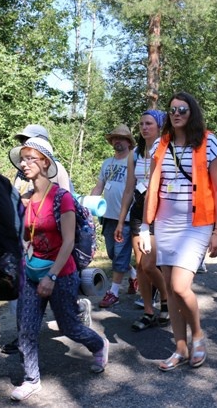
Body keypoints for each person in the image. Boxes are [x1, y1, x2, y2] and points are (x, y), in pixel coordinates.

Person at [8, 136, 108, 401]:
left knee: (69, 327)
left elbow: (69, 242)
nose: (24, 163)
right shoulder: (26, 199)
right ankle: (31, 379)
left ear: (45, 162)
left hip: (61, 273)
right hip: (31, 272)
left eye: (31, 158)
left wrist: (51, 276)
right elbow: (26, 237)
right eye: (23, 158)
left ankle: (99, 345)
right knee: (26, 328)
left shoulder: (60, 198)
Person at [143, 92, 217, 371]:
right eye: (173, 110)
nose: (177, 113)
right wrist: (145, 226)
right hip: (165, 223)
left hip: (197, 223)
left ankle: (198, 335)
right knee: (169, 288)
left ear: (192, 113)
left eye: (183, 109)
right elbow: (152, 186)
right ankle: (180, 347)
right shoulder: (160, 144)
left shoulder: (209, 142)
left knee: (180, 286)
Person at [2, 124, 91, 356]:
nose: (24, 143)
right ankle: (24, 339)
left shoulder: (56, 169)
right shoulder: (23, 167)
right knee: (23, 301)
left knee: (66, 315)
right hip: (29, 243)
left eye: (27, 138)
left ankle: (79, 310)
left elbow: (61, 201)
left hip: (55, 246)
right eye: (22, 139)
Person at [114, 110, 169, 330]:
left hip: (159, 212)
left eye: (149, 123)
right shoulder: (134, 154)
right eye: (141, 124)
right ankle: (148, 311)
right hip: (137, 211)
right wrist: (120, 221)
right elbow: (128, 189)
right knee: (140, 265)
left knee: (149, 264)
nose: (144, 127)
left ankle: (166, 300)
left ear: (160, 126)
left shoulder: (167, 151)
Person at [90, 124, 139, 308]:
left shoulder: (133, 161)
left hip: (125, 217)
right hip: (107, 215)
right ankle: (133, 275)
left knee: (120, 254)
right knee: (112, 253)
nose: (117, 141)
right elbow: (99, 185)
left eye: (121, 138)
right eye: (114, 138)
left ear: (128, 142)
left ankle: (114, 292)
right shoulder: (107, 163)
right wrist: (88, 203)